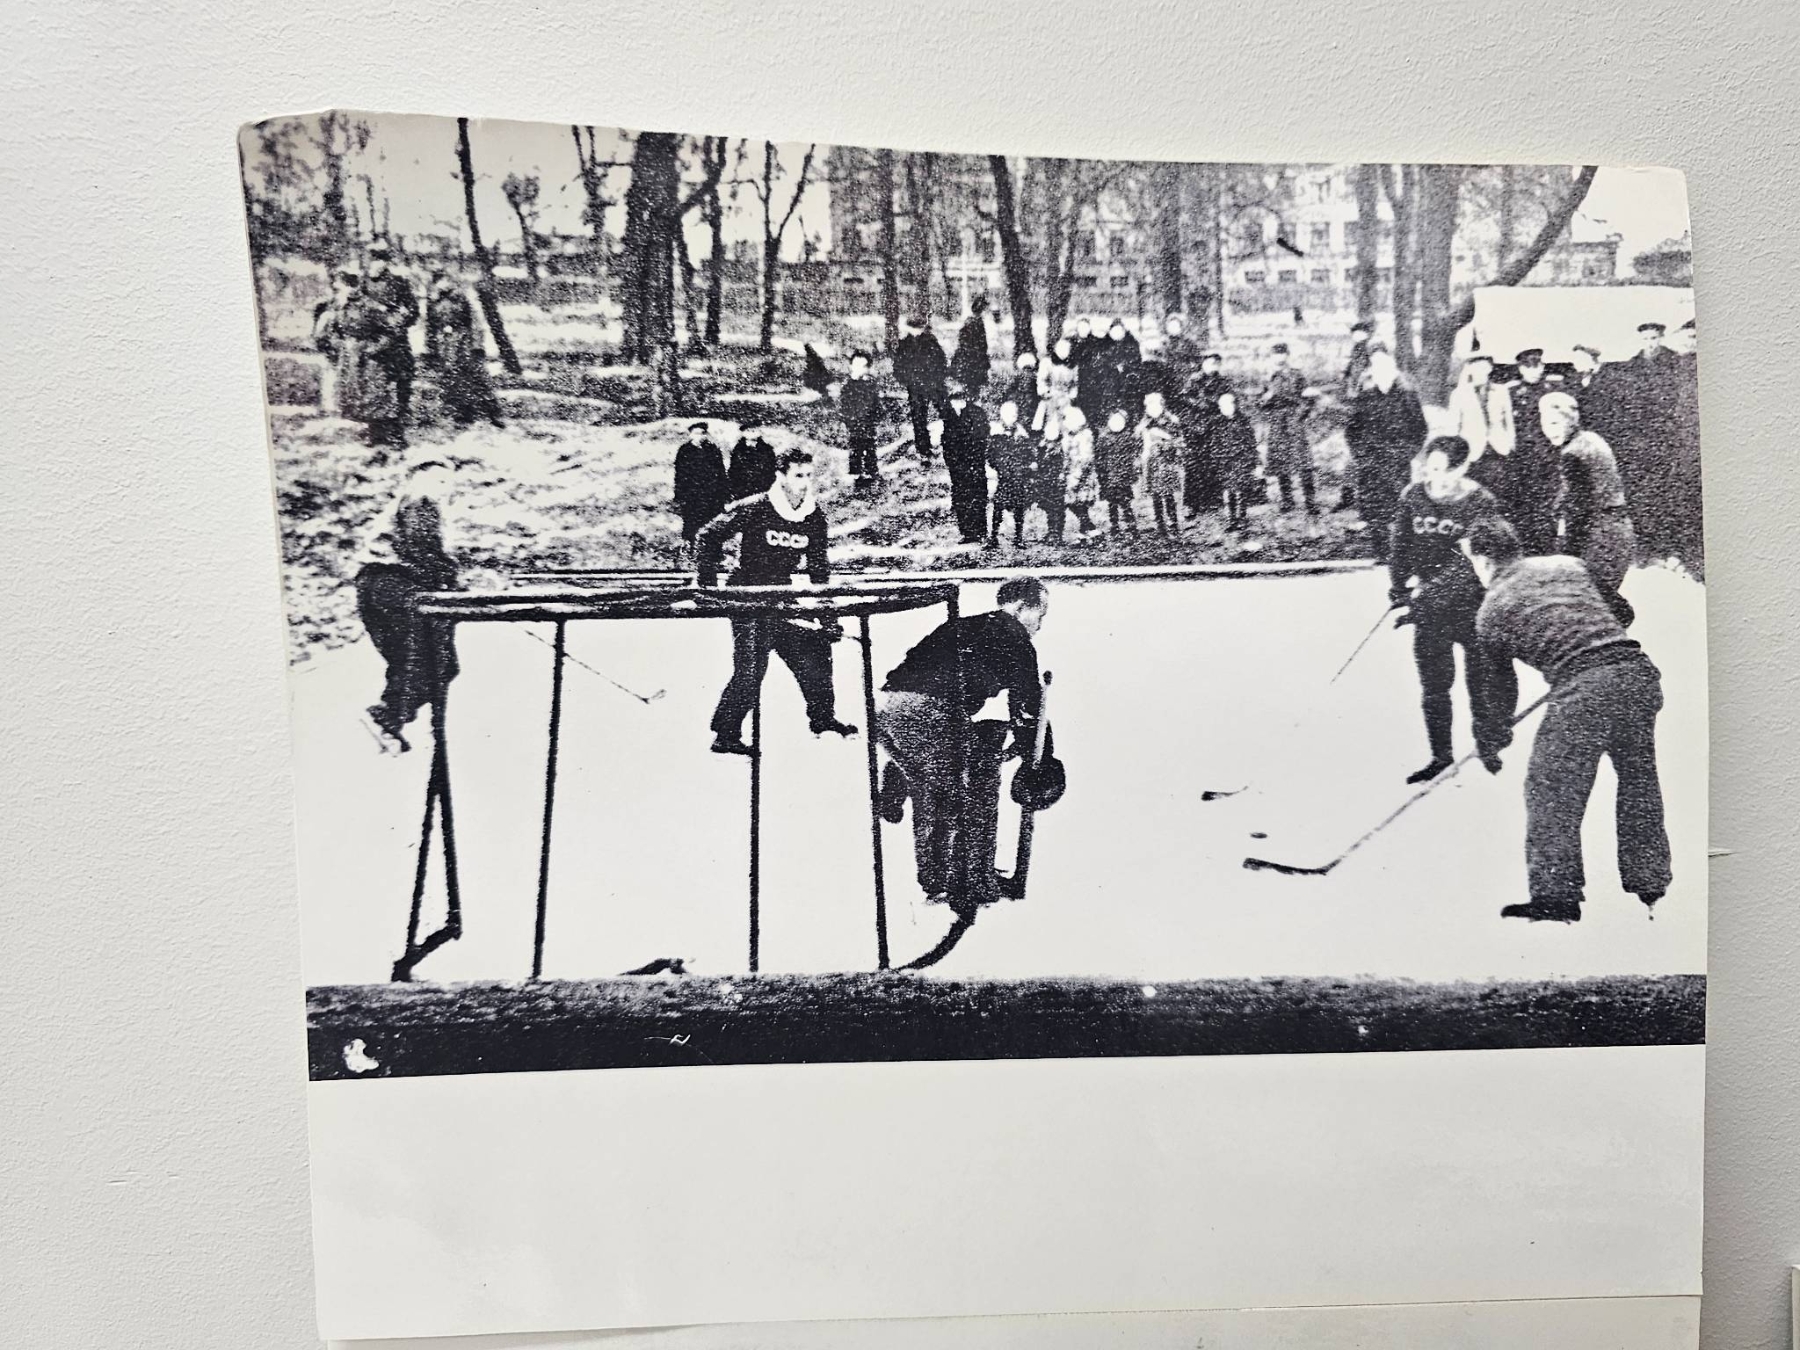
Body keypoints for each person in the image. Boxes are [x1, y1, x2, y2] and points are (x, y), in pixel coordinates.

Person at [1466, 518, 1671, 923]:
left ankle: (1555, 895)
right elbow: (1623, 611)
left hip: (1584, 690)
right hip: (1638, 673)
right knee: (1638, 779)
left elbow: (1500, 691)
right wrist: (1584, 637)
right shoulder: (1567, 564)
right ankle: (1649, 881)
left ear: (1483, 560)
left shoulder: (1491, 610)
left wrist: (1493, 739)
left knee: (1550, 787)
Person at [877, 577, 1048, 912]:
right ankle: (964, 881)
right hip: (931, 709)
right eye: (1040, 614)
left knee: (932, 787)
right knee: (959, 795)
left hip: (888, 708)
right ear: (1019, 608)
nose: (1040, 625)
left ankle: (900, 784)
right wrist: (1038, 759)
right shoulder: (1015, 637)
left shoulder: (963, 625)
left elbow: (912, 663)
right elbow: (1028, 705)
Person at [695, 447, 858, 754]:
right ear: (781, 476)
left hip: (782, 596)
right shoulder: (757, 506)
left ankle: (822, 719)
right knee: (752, 667)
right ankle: (726, 736)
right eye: (797, 475)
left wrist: (828, 618)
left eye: (808, 475)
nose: (804, 482)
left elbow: (819, 569)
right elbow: (707, 535)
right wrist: (708, 588)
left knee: (814, 649)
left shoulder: (813, 516)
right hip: (747, 596)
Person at [1389, 435, 1510, 784]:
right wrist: (1398, 586)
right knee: (1434, 685)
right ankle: (1440, 756)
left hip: (1471, 603)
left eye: (1445, 471)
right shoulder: (1414, 495)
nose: (1436, 478)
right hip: (1429, 608)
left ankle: (1486, 745)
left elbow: (1473, 562)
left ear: (1463, 468)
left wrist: (1426, 595)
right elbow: (1400, 545)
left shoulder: (1480, 502)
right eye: (1431, 469)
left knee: (1479, 680)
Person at [355, 460, 461, 754]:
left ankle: (389, 720)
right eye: (438, 480)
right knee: (430, 661)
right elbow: (422, 551)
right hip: (393, 585)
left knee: (420, 662)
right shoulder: (421, 504)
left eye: (447, 482)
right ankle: (388, 716)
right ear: (419, 479)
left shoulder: (408, 507)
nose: (444, 488)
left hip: (380, 586)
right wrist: (451, 579)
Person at [1540, 392, 1636, 624]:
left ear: (1572, 420)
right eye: (1545, 423)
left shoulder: (1573, 454)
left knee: (1587, 607)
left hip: (1601, 536)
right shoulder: (1591, 439)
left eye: (1556, 423)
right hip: (1618, 531)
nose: (1549, 430)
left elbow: (1578, 510)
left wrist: (1567, 554)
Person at [1342, 343, 1426, 563]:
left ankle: (1401, 552)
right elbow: (1352, 430)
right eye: (1376, 368)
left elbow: (1420, 429)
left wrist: (1406, 453)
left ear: (1393, 371)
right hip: (1371, 463)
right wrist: (1361, 456)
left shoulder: (1407, 395)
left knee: (1400, 506)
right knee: (1374, 508)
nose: (1381, 374)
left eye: (1385, 368)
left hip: (1397, 462)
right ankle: (1381, 551)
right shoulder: (1366, 396)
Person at [315, 267, 406, 451]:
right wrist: (340, 345)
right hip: (350, 359)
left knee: (377, 397)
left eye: (339, 287)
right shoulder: (339, 307)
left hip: (372, 361)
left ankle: (393, 438)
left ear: (352, 286)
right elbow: (333, 332)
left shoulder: (371, 307)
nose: (336, 291)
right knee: (359, 398)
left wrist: (372, 348)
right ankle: (375, 436)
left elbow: (391, 332)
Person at [424, 271, 504, 429]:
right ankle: (463, 413)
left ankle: (493, 411)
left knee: (479, 377)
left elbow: (475, 323)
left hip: (464, 342)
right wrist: (431, 348)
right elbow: (430, 327)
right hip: (445, 345)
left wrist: (476, 346)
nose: (443, 284)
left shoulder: (461, 299)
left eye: (446, 280)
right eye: (439, 281)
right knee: (454, 379)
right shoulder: (433, 301)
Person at [1504, 347, 1563, 554]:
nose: (1534, 371)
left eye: (1537, 366)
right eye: (1528, 367)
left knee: (1548, 503)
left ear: (1543, 366)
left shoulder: (1552, 389)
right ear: (1520, 369)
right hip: (1522, 458)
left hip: (1548, 456)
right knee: (1524, 502)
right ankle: (1528, 547)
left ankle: (1548, 546)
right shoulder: (1511, 392)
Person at [363, 241, 420, 426]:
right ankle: (375, 412)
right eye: (373, 259)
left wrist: (400, 321)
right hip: (373, 335)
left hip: (396, 336)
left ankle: (403, 409)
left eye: (380, 260)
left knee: (404, 373)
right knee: (374, 373)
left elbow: (413, 309)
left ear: (386, 262)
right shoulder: (364, 283)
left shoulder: (398, 282)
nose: (376, 264)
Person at [1446, 353, 1515, 499]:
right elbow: (1453, 428)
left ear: (1490, 368)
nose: (1481, 372)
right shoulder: (1459, 394)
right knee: (1475, 493)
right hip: (1472, 452)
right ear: (1469, 369)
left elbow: (1509, 421)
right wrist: (1456, 455)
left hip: (1498, 448)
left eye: (1484, 367)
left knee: (1501, 491)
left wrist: (1510, 443)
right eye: (1476, 367)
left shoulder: (1501, 390)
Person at [1258, 342, 1314, 513]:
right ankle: (1287, 500)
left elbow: (1308, 398)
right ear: (1271, 357)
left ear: (1287, 355)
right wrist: (1266, 400)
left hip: (1294, 420)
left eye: (1282, 353)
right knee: (1280, 460)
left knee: (1303, 460)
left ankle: (1310, 501)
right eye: (1276, 354)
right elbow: (1259, 403)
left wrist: (1299, 415)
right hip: (1277, 421)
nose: (1279, 357)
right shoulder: (1267, 377)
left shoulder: (1297, 375)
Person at [941, 381, 991, 545]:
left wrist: (974, 457)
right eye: (953, 399)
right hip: (957, 465)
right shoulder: (949, 415)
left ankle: (981, 531)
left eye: (959, 398)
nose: (956, 403)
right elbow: (946, 439)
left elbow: (981, 437)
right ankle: (967, 532)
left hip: (974, 463)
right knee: (961, 497)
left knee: (977, 496)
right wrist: (951, 460)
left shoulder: (977, 413)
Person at [1182, 351, 1230, 517]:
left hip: (1215, 425)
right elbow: (1185, 397)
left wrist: (1215, 403)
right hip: (1195, 426)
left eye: (1216, 363)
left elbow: (1228, 398)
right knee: (1194, 464)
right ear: (1203, 364)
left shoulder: (1222, 381)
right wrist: (1199, 403)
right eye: (1209, 363)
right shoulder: (1194, 379)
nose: (1212, 366)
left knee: (1214, 462)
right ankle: (1191, 503)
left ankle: (1213, 500)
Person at [894, 314, 948, 459]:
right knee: (919, 419)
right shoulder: (904, 344)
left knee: (946, 414)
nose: (917, 331)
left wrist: (937, 378)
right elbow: (898, 367)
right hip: (916, 388)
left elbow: (941, 362)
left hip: (934, 385)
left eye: (919, 328)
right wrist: (908, 381)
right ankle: (923, 450)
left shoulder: (931, 342)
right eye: (914, 328)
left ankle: (951, 444)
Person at [673, 421, 729, 548]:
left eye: (703, 433)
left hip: (711, 494)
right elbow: (680, 475)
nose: (700, 436)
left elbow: (721, 473)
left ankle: (709, 549)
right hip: (692, 495)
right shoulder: (684, 451)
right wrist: (680, 495)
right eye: (696, 433)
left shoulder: (713, 449)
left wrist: (723, 493)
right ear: (690, 435)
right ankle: (689, 548)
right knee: (691, 523)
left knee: (710, 524)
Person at [987, 400, 1035, 546]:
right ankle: (993, 537)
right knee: (998, 505)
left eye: (1014, 415)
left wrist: (1023, 468)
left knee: (1019, 506)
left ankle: (1018, 537)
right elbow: (991, 455)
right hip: (1004, 476)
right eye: (1008, 415)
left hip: (1018, 476)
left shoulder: (1021, 435)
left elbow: (1029, 454)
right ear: (1002, 416)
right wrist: (999, 467)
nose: (1012, 418)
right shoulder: (996, 435)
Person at [1138, 390, 1184, 535]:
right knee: (1155, 494)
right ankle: (1160, 524)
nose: (1153, 409)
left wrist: (1164, 443)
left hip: (1166, 462)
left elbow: (1179, 441)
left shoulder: (1171, 421)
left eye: (1156, 405)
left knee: (1168, 493)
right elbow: (1139, 442)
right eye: (1149, 406)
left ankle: (1173, 522)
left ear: (1162, 405)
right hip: (1151, 463)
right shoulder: (1144, 423)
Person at [1213, 390, 1258, 532]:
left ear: (1234, 405)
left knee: (1242, 490)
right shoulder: (1218, 423)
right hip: (1226, 462)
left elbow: (1251, 442)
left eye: (1227, 405)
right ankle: (1232, 520)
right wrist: (1218, 459)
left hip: (1241, 460)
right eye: (1221, 406)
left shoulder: (1243, 421)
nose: (1224, 408)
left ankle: (1242, 519)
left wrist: (1253, 461)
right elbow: (1215, 443)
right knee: (1229, 491)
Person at [839, 350, 881, 488]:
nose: (859, 369)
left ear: (867, 368)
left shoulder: (870, 385)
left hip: (867, 421)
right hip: (854, 422)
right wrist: (847, 419)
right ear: (851, 366)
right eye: (857, 365)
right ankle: (856, 474)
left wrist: (876, 415)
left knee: (869, 446)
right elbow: (844, 405)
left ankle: (871, 471)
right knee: (855, 447)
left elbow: (875, 402)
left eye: (863, 366)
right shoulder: (848, 386)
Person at [1096, 409, 1139, 535]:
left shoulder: (1127, 437)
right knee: (1112, 502)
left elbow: (1132, 455)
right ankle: (1114, 525)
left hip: (1123, 474)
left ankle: (1131, 525)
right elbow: (1100, 457)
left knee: (1125, 502)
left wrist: (1131, 473)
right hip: (1110, 474)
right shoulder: (1104, 438)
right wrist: (1102, 473)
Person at [1060, 406, 1100, 542]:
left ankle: (1089, 529)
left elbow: (1086, 459)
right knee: (1074, 504)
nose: (1065, 423)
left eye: (1068, 420)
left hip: (1081, 476)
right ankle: (1088, 529)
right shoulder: (1068, 437)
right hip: (1071, 474)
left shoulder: (1085, 436)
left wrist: (1076, 477)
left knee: (1079, 503)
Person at [1034, 337, 1079, 438]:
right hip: (1051, 396)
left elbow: (1075, 383)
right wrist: (1045, 391)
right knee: (1050, 417)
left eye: (1066, 349)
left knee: (1068, 419)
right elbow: (1041, 379)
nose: (1064, 352)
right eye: (1061, 349)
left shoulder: (1073, 365)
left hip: (1066, 398)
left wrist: (1072, 394)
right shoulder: (1047, 363)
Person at [949, 296, 992, 398]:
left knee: (972, 384)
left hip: (972, 358)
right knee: (972, 384)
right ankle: (970, 399)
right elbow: (973, 343)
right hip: (973, 359)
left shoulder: (974, 322)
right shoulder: (974, 323)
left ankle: (970, 398)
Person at [726, 419, 778, 501]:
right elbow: (733, 470)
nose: (751, 432)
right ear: (743, 432)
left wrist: (766, 486)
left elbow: (771, 469)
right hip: (742, 490)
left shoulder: (767, 449)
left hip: (761, 489)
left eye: (754, 430)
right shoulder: (738, 449)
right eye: (748, 430)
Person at [1005, 351, 1040, 429]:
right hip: (1021, 405)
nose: (1027, 372)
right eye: (1025, 369)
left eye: (1029, 369)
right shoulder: (1017, 382)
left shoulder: (1035, 381)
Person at [1342, 320, 1373, 395]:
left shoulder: (1367, 347)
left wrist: (1365, 372)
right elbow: (1353, 361)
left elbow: (1366, 362)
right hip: (1356, 376)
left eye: (1356, 334)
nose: (1353, 336)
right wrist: (1347, 371)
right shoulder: (1357, 346)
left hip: (1363, 377)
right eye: (1353, 334)